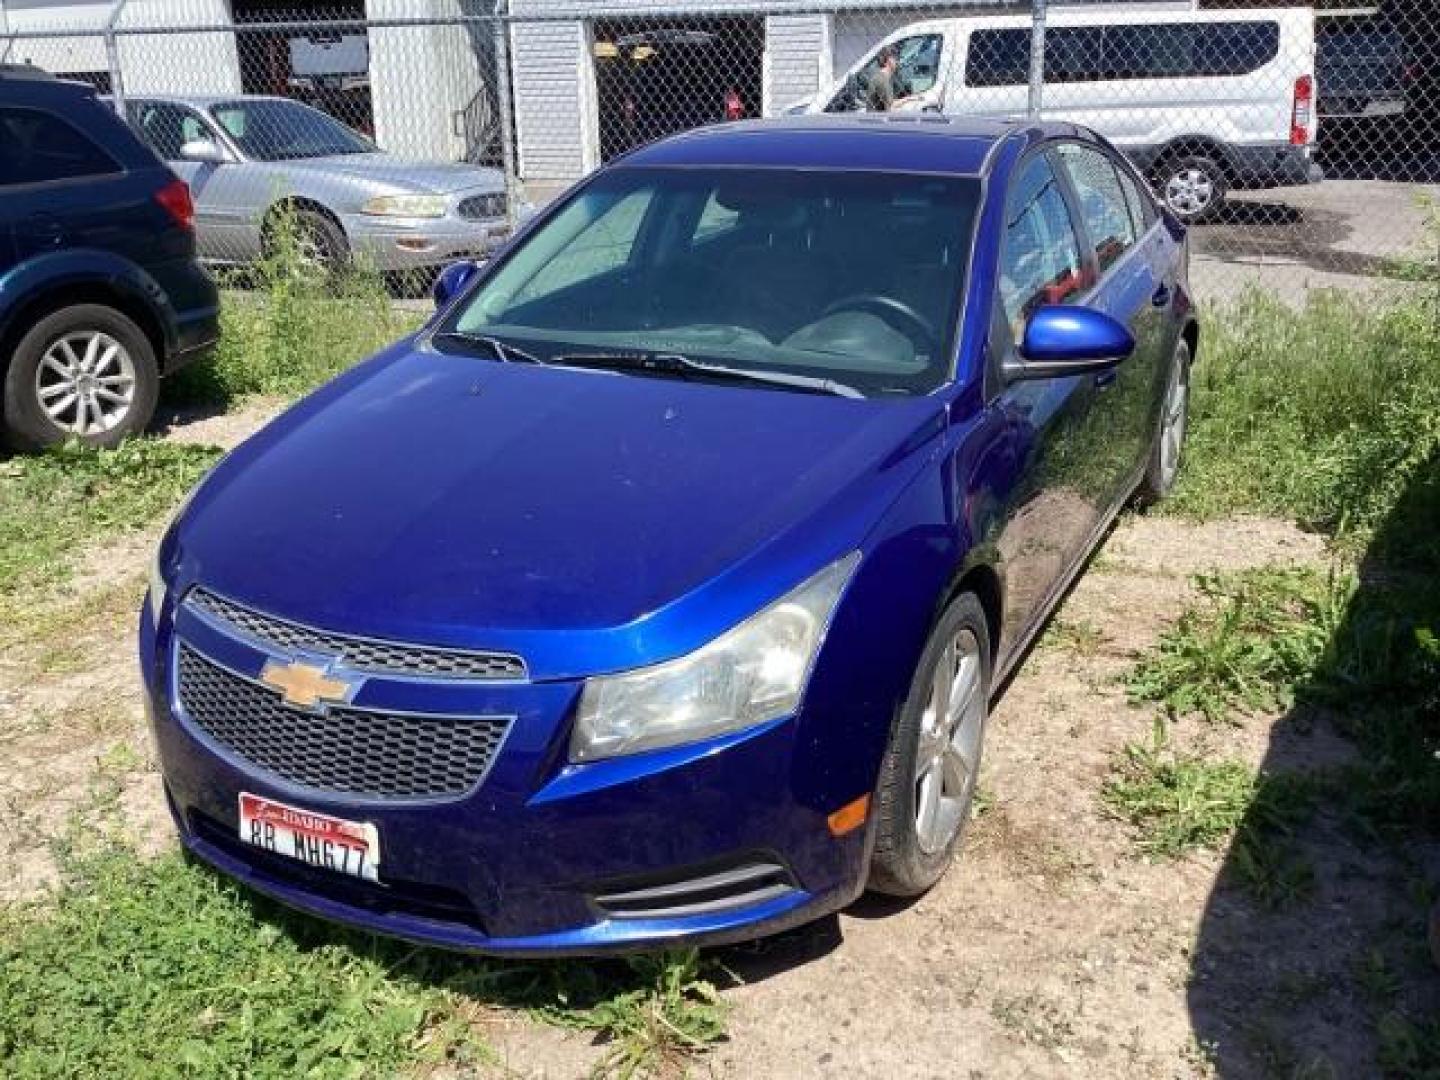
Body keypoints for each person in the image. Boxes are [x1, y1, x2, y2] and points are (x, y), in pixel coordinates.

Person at [866, 47, 899, 112]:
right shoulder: (881, 80)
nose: (897, 61)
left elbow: (891, 102)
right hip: (878, 120)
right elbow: (890, 107)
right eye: (895, 58)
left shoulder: (883, 76)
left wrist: (910, 98)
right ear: (888, 61)